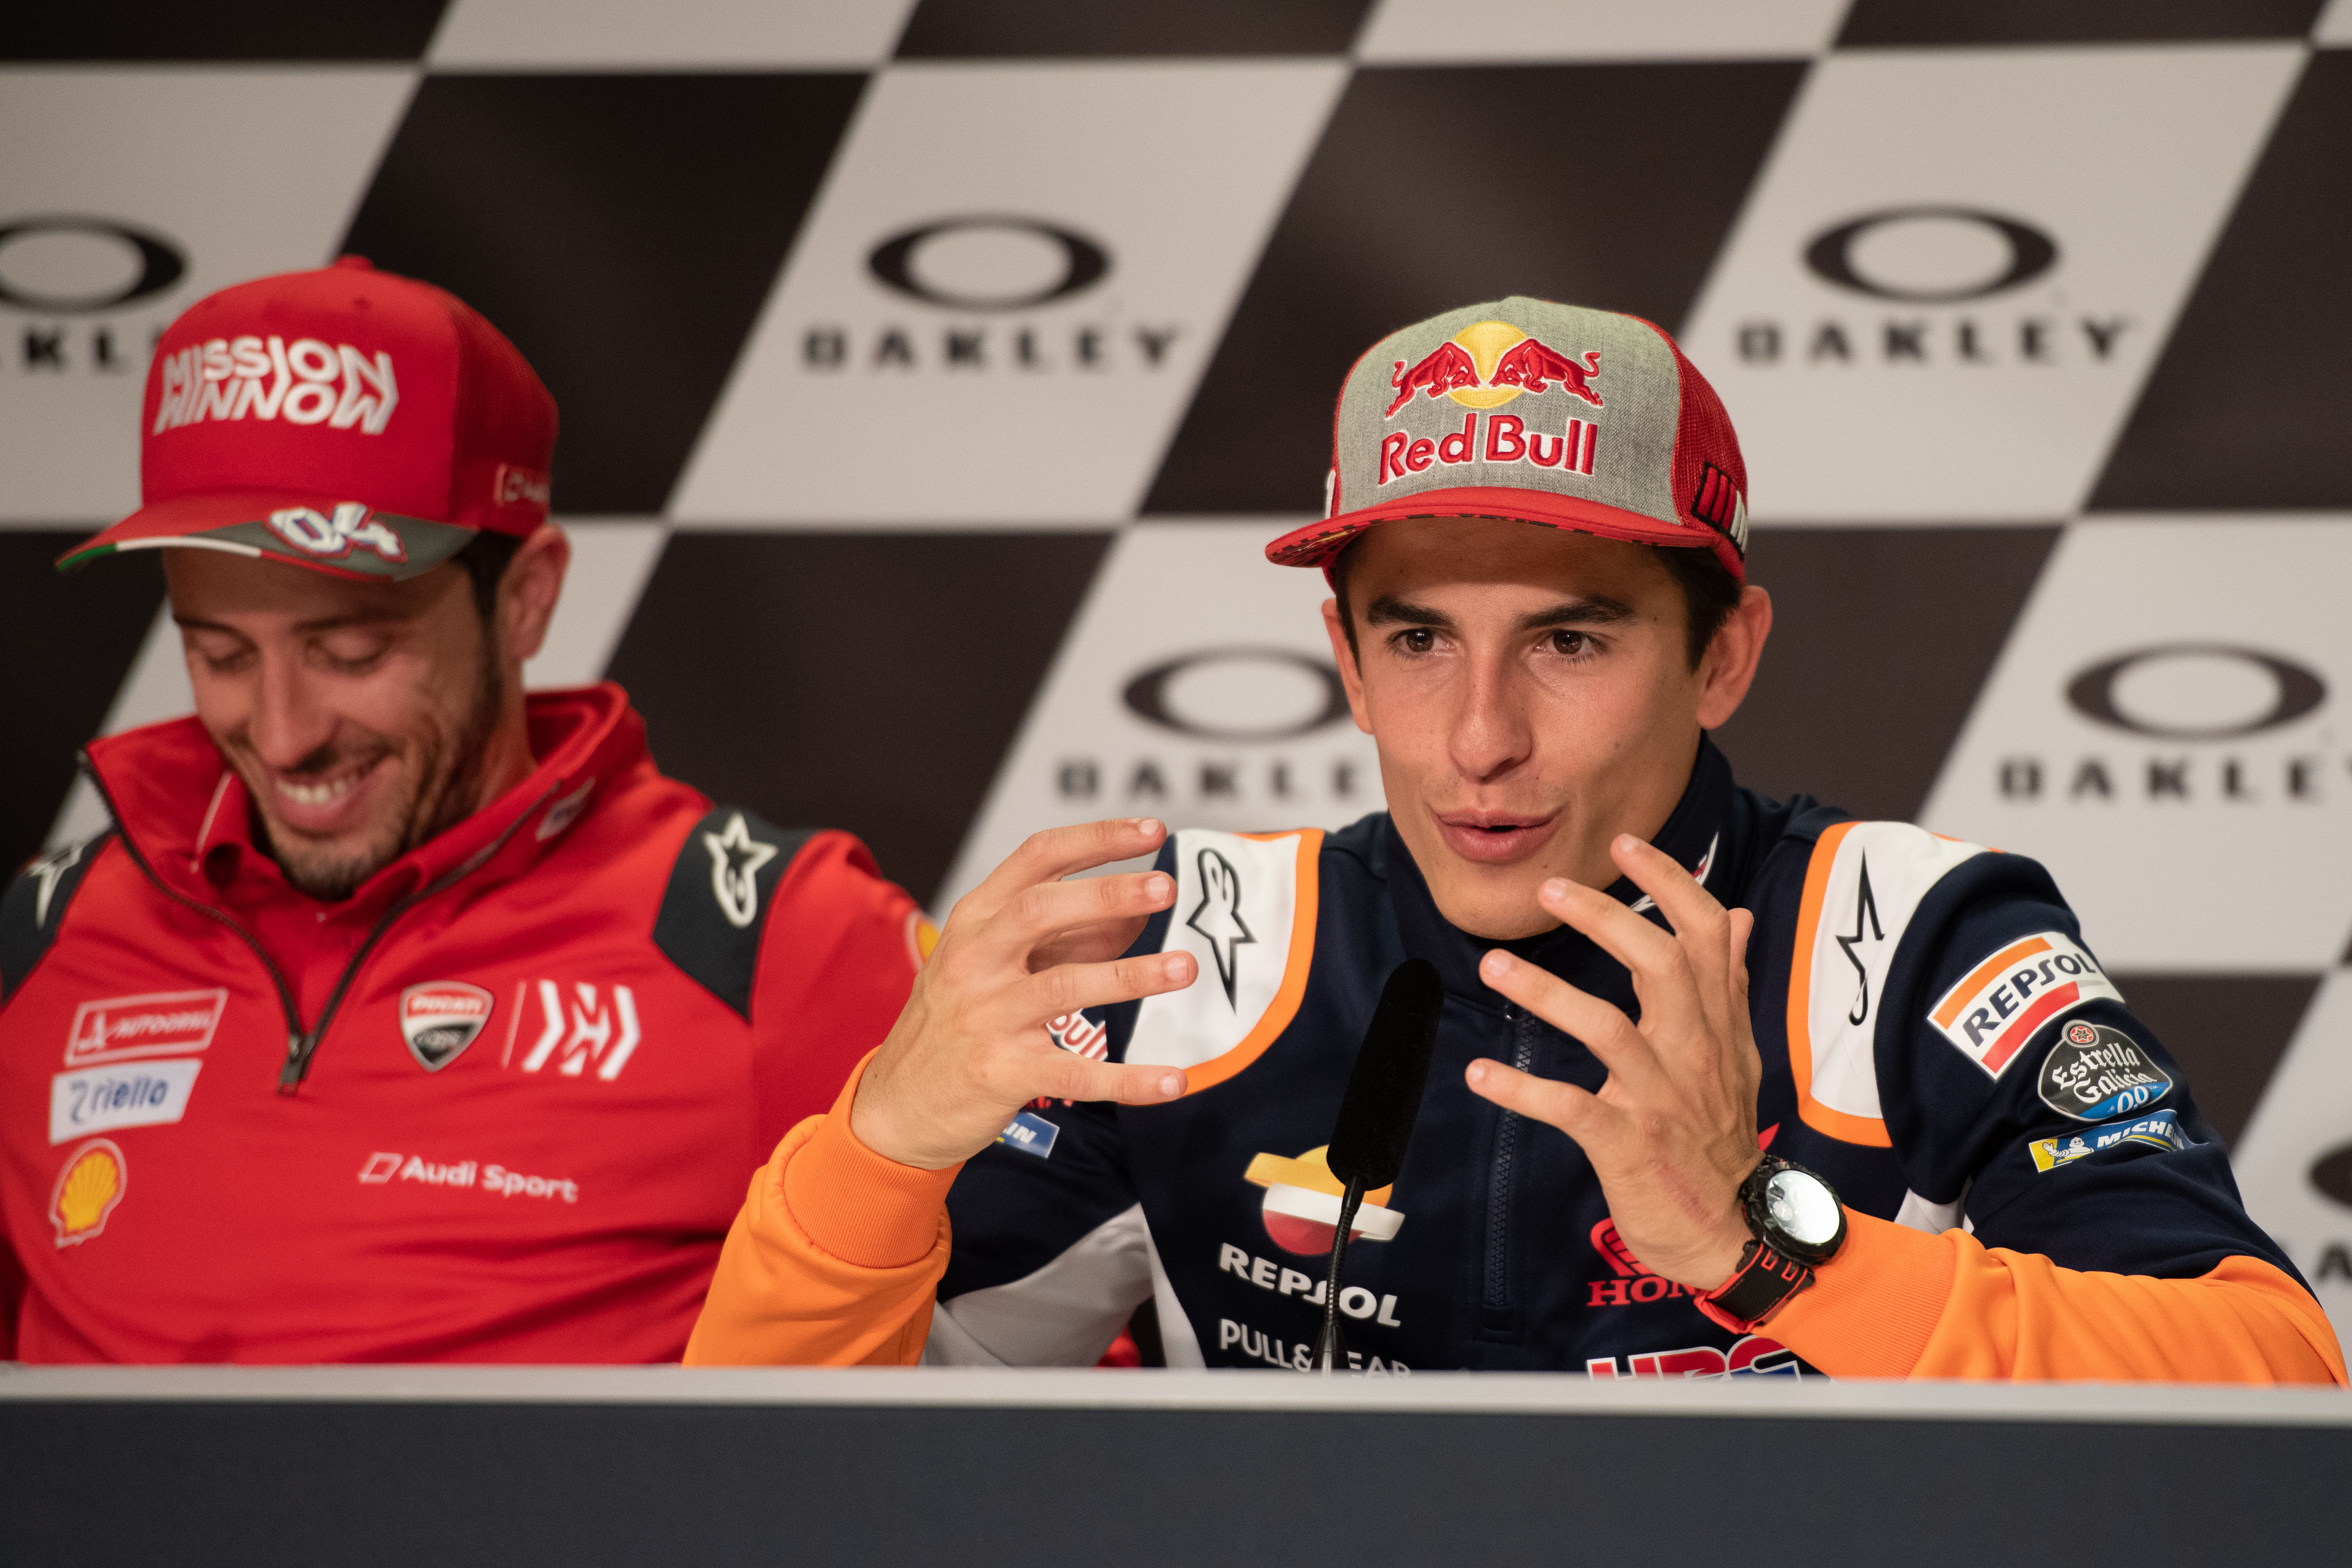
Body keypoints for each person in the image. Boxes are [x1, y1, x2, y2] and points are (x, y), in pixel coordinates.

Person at [683, 297, 2344, 1382]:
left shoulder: (1907, 936)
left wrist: (1770, 1248)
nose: (1478, 738)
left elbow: (2268, 1376)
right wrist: (879, 1150)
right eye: (1416, 639)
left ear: (1724, 656)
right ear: (1345, 662)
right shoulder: (1187, 964)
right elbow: (771, 1477)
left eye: (1569, 639)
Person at [0, 259, 926, 1362]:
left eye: (352, 652)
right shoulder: (47, 936)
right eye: (220, 655)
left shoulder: (772, 940)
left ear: (526, 598)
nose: (283, 735)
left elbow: (1042, 1360)